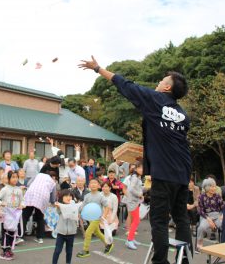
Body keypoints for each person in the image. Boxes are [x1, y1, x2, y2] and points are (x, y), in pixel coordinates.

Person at [79, 56, 192, 264]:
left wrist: (98, 69)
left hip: (163, 173)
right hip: (183, 172)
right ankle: (184, 261)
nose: (158, 82)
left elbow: (125, 85)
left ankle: (160, 262)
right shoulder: (183, 115)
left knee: (159, 220)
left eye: (162, 80)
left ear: (167, 88)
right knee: (181, 218)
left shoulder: (155, 100)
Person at [76, 179, 113, 258]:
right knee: (97, 233)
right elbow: (83, 206)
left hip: (97, 218)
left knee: (88, 232)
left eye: (95, 183)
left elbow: (108, 207)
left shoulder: (100, 196)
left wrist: (103, 216)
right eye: (91, 183)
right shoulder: (87, 196)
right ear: (89, 185)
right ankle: (108, 244)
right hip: (90, 218)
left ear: (98, 186)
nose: (93, 185)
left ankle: (85, 250)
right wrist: (79, 212)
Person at [0, 171, 24, 260]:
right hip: (6, 214)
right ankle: (4, 250)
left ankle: (9, 248)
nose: (15, 179)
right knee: (6, 232)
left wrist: (22, 205)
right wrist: (1, 203)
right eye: (13, 177)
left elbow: (23, 200)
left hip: (15, 214)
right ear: (9, 179)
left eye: (16, 177)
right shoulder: (5, 189)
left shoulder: (19, 190)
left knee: (12, 232)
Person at [22, 172, 57, 244]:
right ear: (51, 176)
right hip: (43, 197)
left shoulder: (38, 174)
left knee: (25, 216)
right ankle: (40, 237)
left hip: (31, 194)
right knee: (40, 218)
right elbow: (53, 196)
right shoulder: (53, 182)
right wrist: (53, 202)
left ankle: (20, 235)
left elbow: (28, 184)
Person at [196, 178, 223, 252]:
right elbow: (200, 210)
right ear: (206, 187)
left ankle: (224, 244)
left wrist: (222, 215)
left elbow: (223, 207)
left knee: (224, 225)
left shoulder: (217, 196)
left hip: (217, 215)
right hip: (206, 216)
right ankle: (199, 243)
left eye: (214, 186)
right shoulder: (201, 197)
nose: (213, 188)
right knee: (201, 228)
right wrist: (209, 219)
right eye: (211, 186)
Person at [53, 189, 79, 264]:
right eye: (66, 196)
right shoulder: (60, 206)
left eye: (70, 196)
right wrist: (58, 206)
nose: (69, 197)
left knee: (69, 251)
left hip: (71, 233)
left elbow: (80, 210)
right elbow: (58, 210)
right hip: (61, 233)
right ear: (62, 197)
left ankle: (68, 262)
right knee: (57, 250)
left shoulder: (75, 206)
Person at [124, 163, 144, 250]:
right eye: (141, 168)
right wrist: (139, 194)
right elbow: (131, 189)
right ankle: (129, 240)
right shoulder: (135, 177)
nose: (142, 170)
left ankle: (131, 238)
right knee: (136, 220)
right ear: (136, 169)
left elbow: (137, 188)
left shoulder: (137, 177)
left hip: (135, 201)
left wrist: (146, 188)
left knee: (136, 220)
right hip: (132, 201)